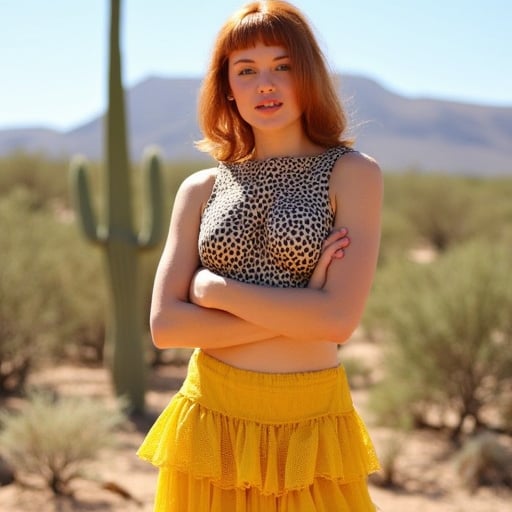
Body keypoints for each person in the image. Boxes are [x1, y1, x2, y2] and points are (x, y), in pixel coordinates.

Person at [137, 1, 382, 510]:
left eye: (282, 66)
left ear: (307, 74)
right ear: (227, 87)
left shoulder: (353, 174)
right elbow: (167, 326)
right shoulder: (200, 187)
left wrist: (214, 292)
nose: (264, 84)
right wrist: (304, 307)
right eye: (246, 71)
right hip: (210, 421)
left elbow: (338, 320)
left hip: (309, 428)